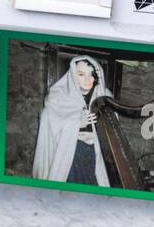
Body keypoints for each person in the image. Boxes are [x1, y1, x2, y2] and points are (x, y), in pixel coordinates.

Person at [32, 55, 112, 186]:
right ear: (73, 75)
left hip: (96, 150)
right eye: (81, 74)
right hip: (68, 150)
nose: (87, 80)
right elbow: (48, 118)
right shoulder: (59, 95)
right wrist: (76, 123)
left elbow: (111, 129)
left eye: (91, 74)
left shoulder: (104, 95)